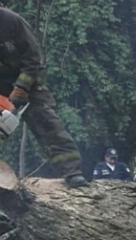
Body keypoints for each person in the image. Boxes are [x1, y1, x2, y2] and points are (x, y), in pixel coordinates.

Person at [0, 6, 87, 187]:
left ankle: (72, 171)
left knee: (47, 123)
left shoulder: (11, 21)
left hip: (26, 79)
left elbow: (33, 57)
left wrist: (21, 87)